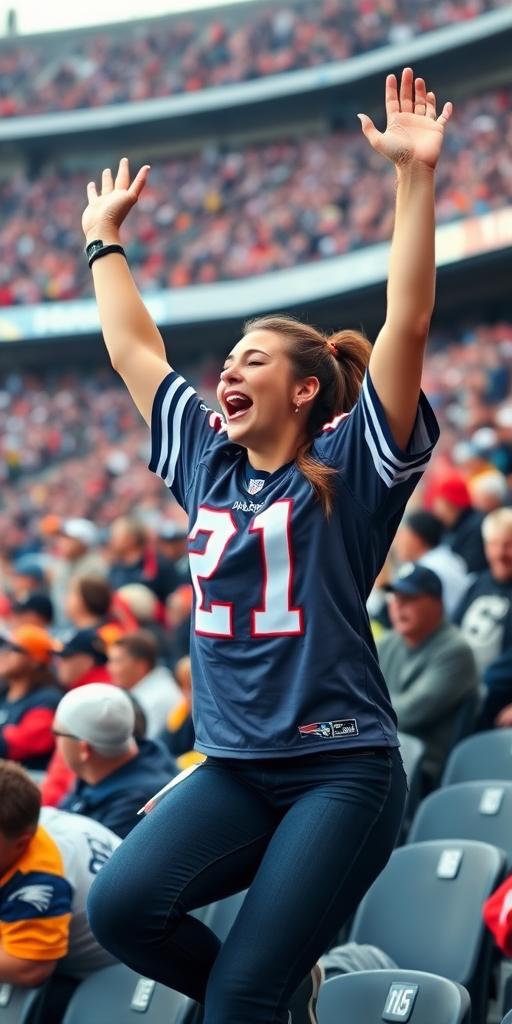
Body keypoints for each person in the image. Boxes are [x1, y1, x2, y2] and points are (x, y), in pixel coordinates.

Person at [82, 69, 450, 1024]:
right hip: (237, 765)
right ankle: (284, 1001)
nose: (226, 370)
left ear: (304, 393)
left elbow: (404, 321)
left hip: (341, 767)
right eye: (228, 358)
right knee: (123, 908)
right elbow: (134, 350)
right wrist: (104, 241)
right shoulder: (206, 461)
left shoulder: (351, 468)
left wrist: (415, 179)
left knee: (241, 992)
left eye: (252, 359)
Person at [0, 760, 119, 1021]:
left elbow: (30, 969)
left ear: (21, 844)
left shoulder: (39, 883)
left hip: (111, 974)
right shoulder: (26, 818)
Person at [377, 563, 479, 787]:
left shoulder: (455, 650)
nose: (398, 605)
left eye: (410, 598)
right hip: (381, 754)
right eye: (394, 597)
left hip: (421, 770)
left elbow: (406, 714)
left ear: (438, 605)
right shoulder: (386, 642)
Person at [54, 683, 177, 839]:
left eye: (57, 734)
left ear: (83, 749)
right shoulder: (104, 769)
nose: (56, 743)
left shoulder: (133, 806)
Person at [40, 628, 112, 808]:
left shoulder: (88, 700)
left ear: (86, 662)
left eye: (65, 658)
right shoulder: (97, 691)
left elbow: (65, 774)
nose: (58, 663)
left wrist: (38, 808)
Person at [454, 507, 512, 727]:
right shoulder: (477, 583)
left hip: (494, 699)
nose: (500, 553)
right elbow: (453, 630)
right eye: (494, 544)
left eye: (508, 544)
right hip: (462, 685)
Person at [0, 626, 62, 770]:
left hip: (25, 784)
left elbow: (15, 746)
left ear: (35, 661)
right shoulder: (3, 694)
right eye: (3, 647)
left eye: (14, 649)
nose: (4, 653)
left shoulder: (47, 699)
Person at [393, 508, 469, 618]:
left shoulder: (426, 569)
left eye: (402, 536)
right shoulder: (448, 557)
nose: (396, 543)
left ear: (416, 539)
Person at [107, 630, 182, 739]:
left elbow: (150, 746)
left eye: (117, 661)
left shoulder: (158, 699)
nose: (109, 668)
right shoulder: (154, 685)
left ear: (141, 665)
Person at [108, 515, 179, 603]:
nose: (111, 541)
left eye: (115, 537)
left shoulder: (159, 565)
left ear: (131, 539)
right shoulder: (115, 569)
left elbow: (175, 600)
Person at [430, 472, 488, 573]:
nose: (436, 509)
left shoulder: (476, 527)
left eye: (440, 502)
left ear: (453, 503)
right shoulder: (451, 525)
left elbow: (468, 568)